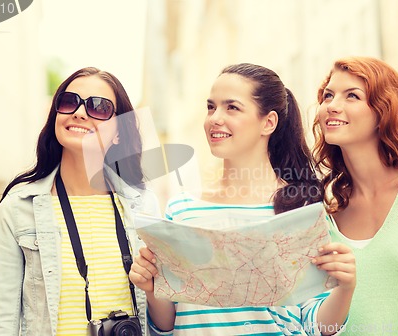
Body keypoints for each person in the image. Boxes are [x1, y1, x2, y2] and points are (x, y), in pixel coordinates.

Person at [129, 63, 356, 335]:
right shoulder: (182, 210)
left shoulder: (301, 208)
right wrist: (153, 287)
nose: (215, 118)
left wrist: (345, 288)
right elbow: (168, 324)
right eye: (211, 107)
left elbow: (315, 324)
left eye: (232, 107)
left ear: (268, 122)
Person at [0, 67, 160, 335]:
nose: (79, 112)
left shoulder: (144, 205)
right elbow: (1, 321)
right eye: (69, 102)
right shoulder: (20, 207)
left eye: (98, 107)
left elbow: (164, 320)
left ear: (119, 132)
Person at [312, 56, 398, 335]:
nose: (332, 106)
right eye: (328, 95)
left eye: (352, 96)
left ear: (384, 110)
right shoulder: (323, 216)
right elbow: (316, 322)